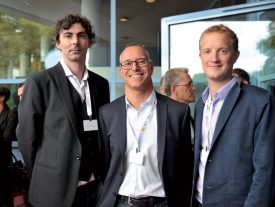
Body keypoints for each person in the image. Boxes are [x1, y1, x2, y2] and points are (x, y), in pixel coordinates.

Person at [16, 14, 110, 207]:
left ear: (89, 42)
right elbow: (26, 137)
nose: (75, 41)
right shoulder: (40, 82)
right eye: (68, 35)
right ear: (58, 43)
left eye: (81, 35)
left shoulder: (101, 84)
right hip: (54, 191)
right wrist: (44, 175)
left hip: (95, 189)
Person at [96, 43, 193, 207]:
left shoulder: (178, 112)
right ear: (121, 71)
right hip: (119, 203)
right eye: (127, 63)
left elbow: (185, 167)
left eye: (141, 61)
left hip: (163, 203)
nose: (134, 67)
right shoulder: (107, 113)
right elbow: (104, 164)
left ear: (151, 66)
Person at [192, 24, 275, 207]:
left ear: (235, 55)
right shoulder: (200, 104)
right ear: (200, 57)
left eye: (222, 51)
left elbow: (266, 169)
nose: (214, 58)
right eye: (207, 51)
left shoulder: (260, 101)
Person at [160, 68, 196, 149]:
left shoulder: (188, 117)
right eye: (189, 84)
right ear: (173, 89)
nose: (194, 88)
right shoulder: (161, 119)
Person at [0, 86, 17, 207]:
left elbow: (6, 138)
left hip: (2, 161)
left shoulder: (11, 114)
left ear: (2, 97)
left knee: (4, 196)